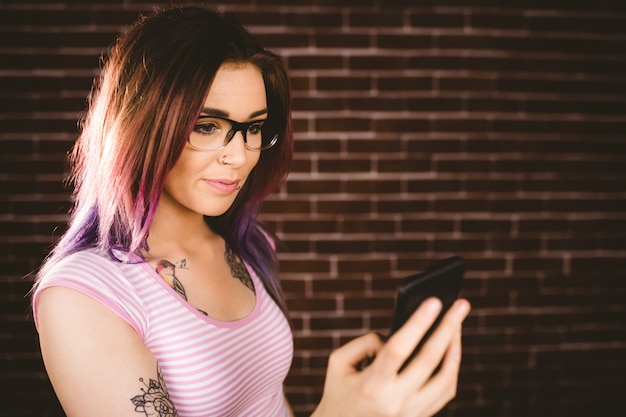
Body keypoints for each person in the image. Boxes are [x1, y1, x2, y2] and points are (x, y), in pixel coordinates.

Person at [31, 6, 471, 417]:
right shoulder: (83, 296)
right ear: (139, 125)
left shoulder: (243, 245)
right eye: (207, 126)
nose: (240, 156)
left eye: (253, 128)